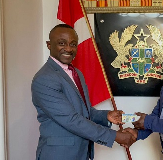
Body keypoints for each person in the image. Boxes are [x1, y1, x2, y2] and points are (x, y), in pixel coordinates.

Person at [31, 24, 135, 160]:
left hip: (82, 153)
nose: (68, 48)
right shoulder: (45, 78)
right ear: (49, 45)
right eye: (61, 43)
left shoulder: (76, 74)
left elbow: (83, 111)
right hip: (59, 155)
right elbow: (71, 119)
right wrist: (114, 136)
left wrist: (106, 116)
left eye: (73, 44)